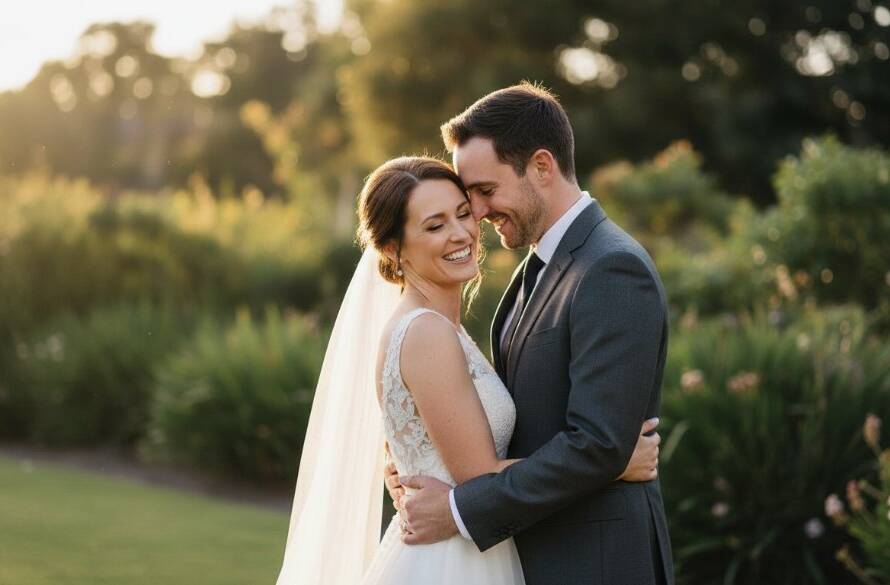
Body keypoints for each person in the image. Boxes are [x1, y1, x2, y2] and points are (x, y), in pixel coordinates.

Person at [274, 155, 660, 585]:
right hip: (448, 562)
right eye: (435, 225)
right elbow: (478, 476)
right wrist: (610, 463)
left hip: (472, 549)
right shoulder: (426, 333)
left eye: (463, 214)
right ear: (391, 249)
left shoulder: (439, 328)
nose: (461, 234)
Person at [386, 83, 675, 585]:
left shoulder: (610, 267)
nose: (475, 213)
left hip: (595, 562)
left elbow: (597, 444)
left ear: (541, 167)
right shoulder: (538, 268)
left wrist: (456, 507)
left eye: (484, 191)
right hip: (532, 554)